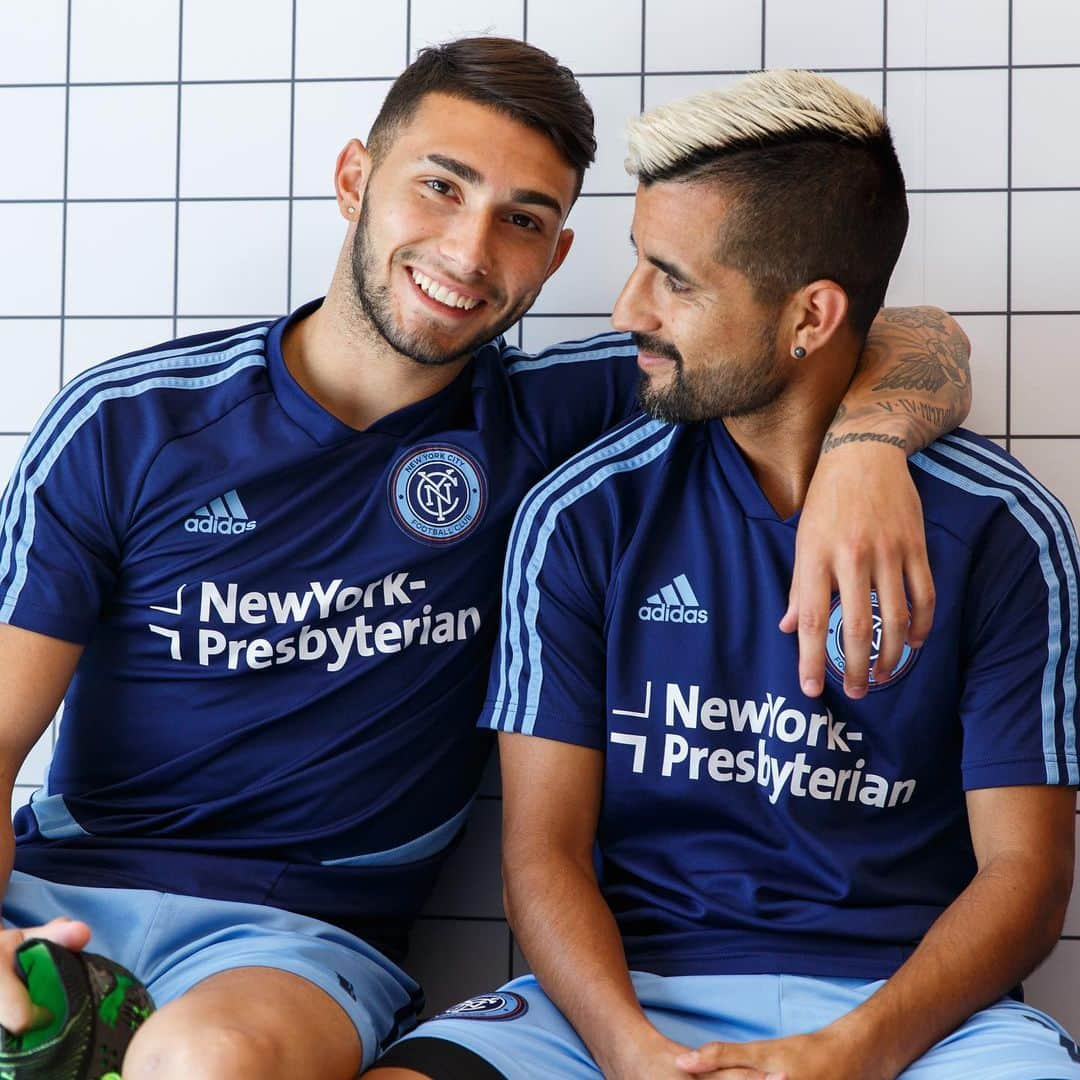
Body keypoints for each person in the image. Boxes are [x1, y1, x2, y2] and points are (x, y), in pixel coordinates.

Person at [0, 41, 971, 1080]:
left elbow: (903, 329)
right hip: (55, 889)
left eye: (522, 219)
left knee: (207, 1063)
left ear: (553, 259)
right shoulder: (131, 421)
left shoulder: (562, 418)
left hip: (294, 938)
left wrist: (868, 450)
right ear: (353, 182)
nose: (468, 252)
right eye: (439, 188)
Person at [372, 70, 1079, 1080]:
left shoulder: (1003, 527)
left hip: (913, 1017)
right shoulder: (581, 513)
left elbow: (1028, 877)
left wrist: (857, 1051)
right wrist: (631, 1053)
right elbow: (543, 856)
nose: (625, 310)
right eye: (635, 265)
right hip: (627, 999)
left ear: (811, 317)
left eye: (675, 279)